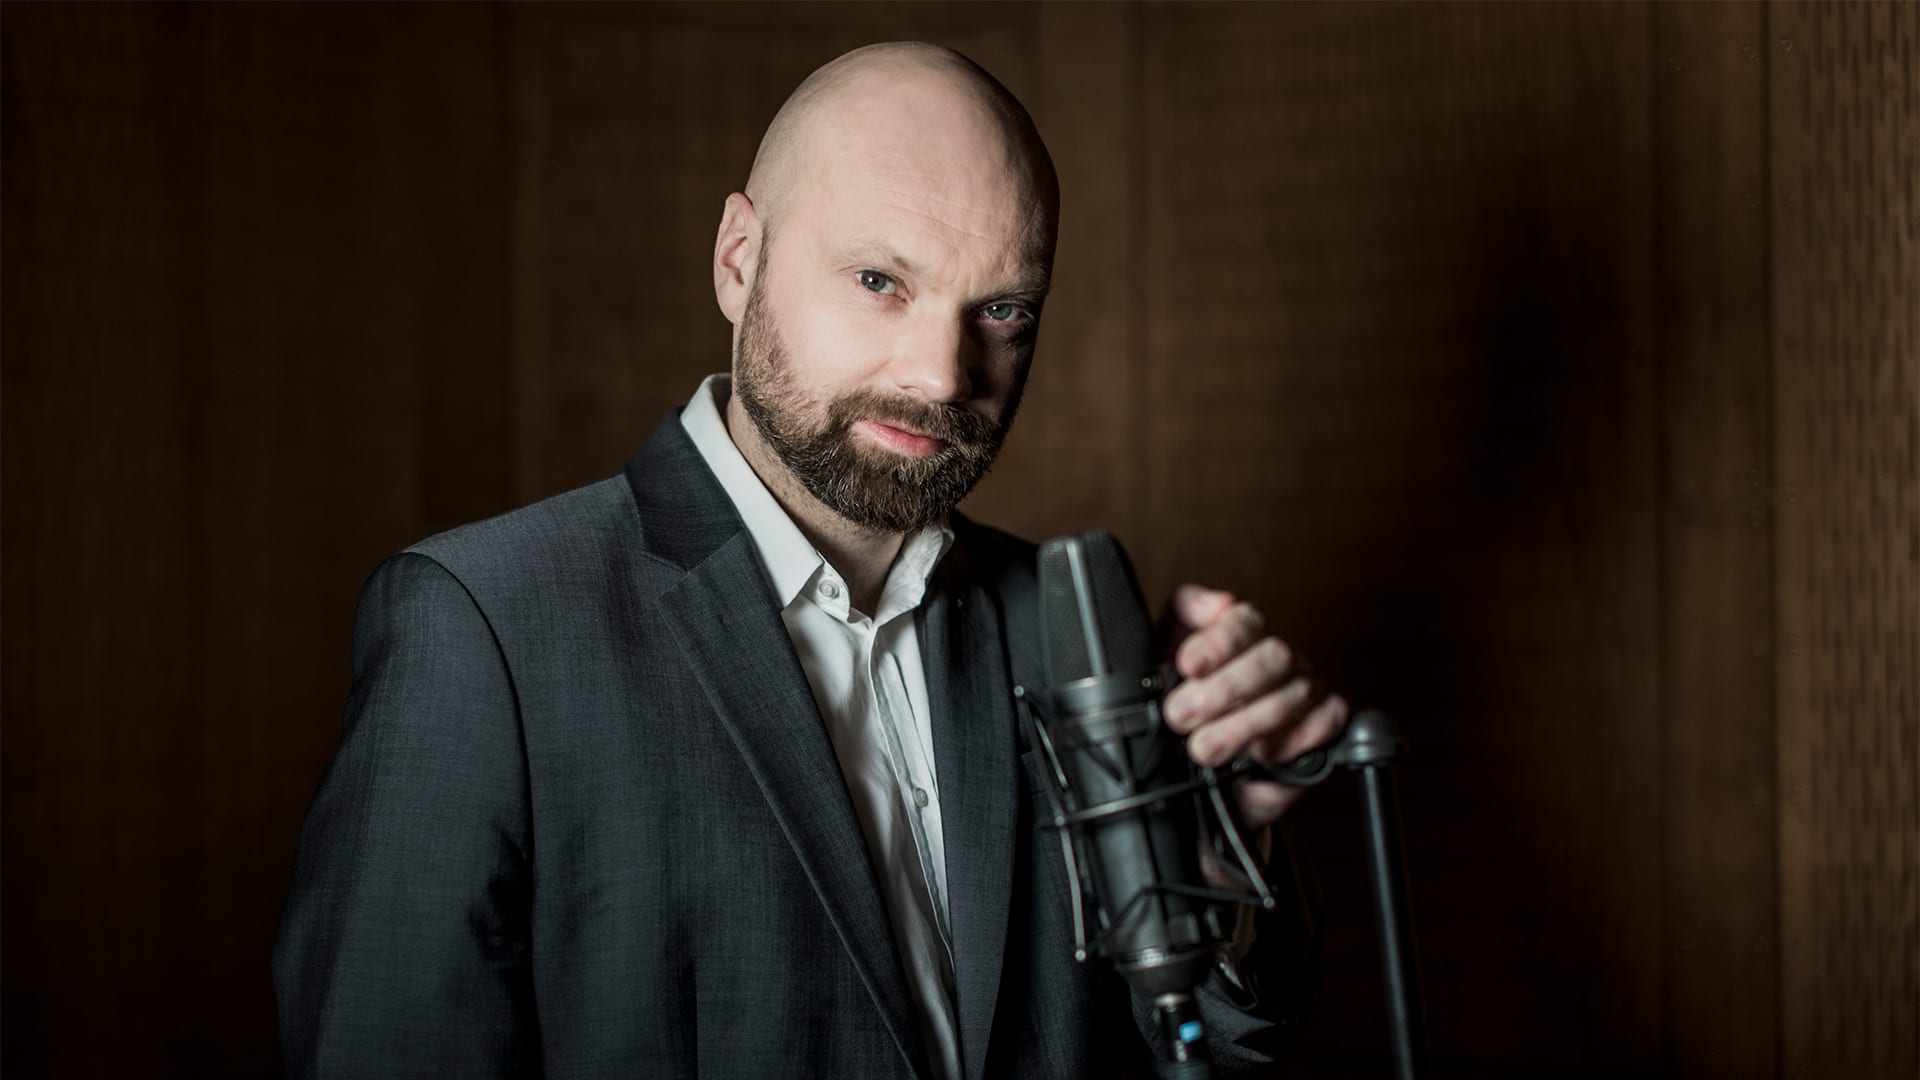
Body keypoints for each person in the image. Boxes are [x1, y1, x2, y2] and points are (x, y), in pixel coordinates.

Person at [274, 41, 1349, 1080]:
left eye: (1002, 309)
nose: (942, 374)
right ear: (739, 260)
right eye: (880, 280)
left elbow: (1207, 1051)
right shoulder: (483, 631)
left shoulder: (1063, 628)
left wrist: (1217, 866)